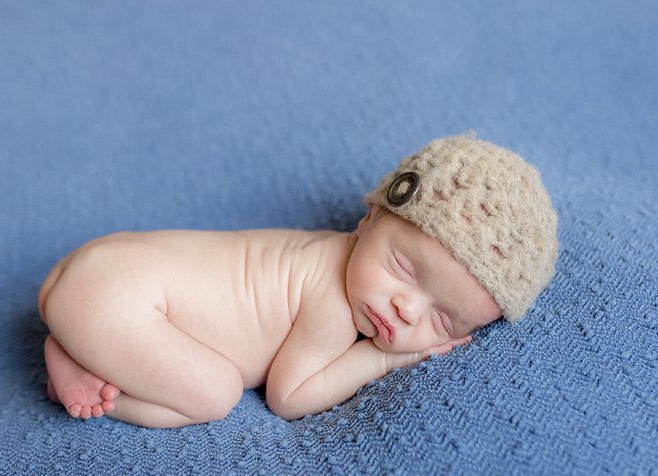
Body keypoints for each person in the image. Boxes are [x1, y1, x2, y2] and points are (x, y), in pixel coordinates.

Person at [38, 134, 558, 428]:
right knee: (215, 394)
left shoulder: (331, 253)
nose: (406, 309)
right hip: (118, 299)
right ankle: (83, 367)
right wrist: (388, 355)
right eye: (403, 269)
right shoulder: (332, 298)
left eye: (442, 321)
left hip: (105, 267)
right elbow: (290, 395)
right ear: (368, 220)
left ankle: (84, 342)